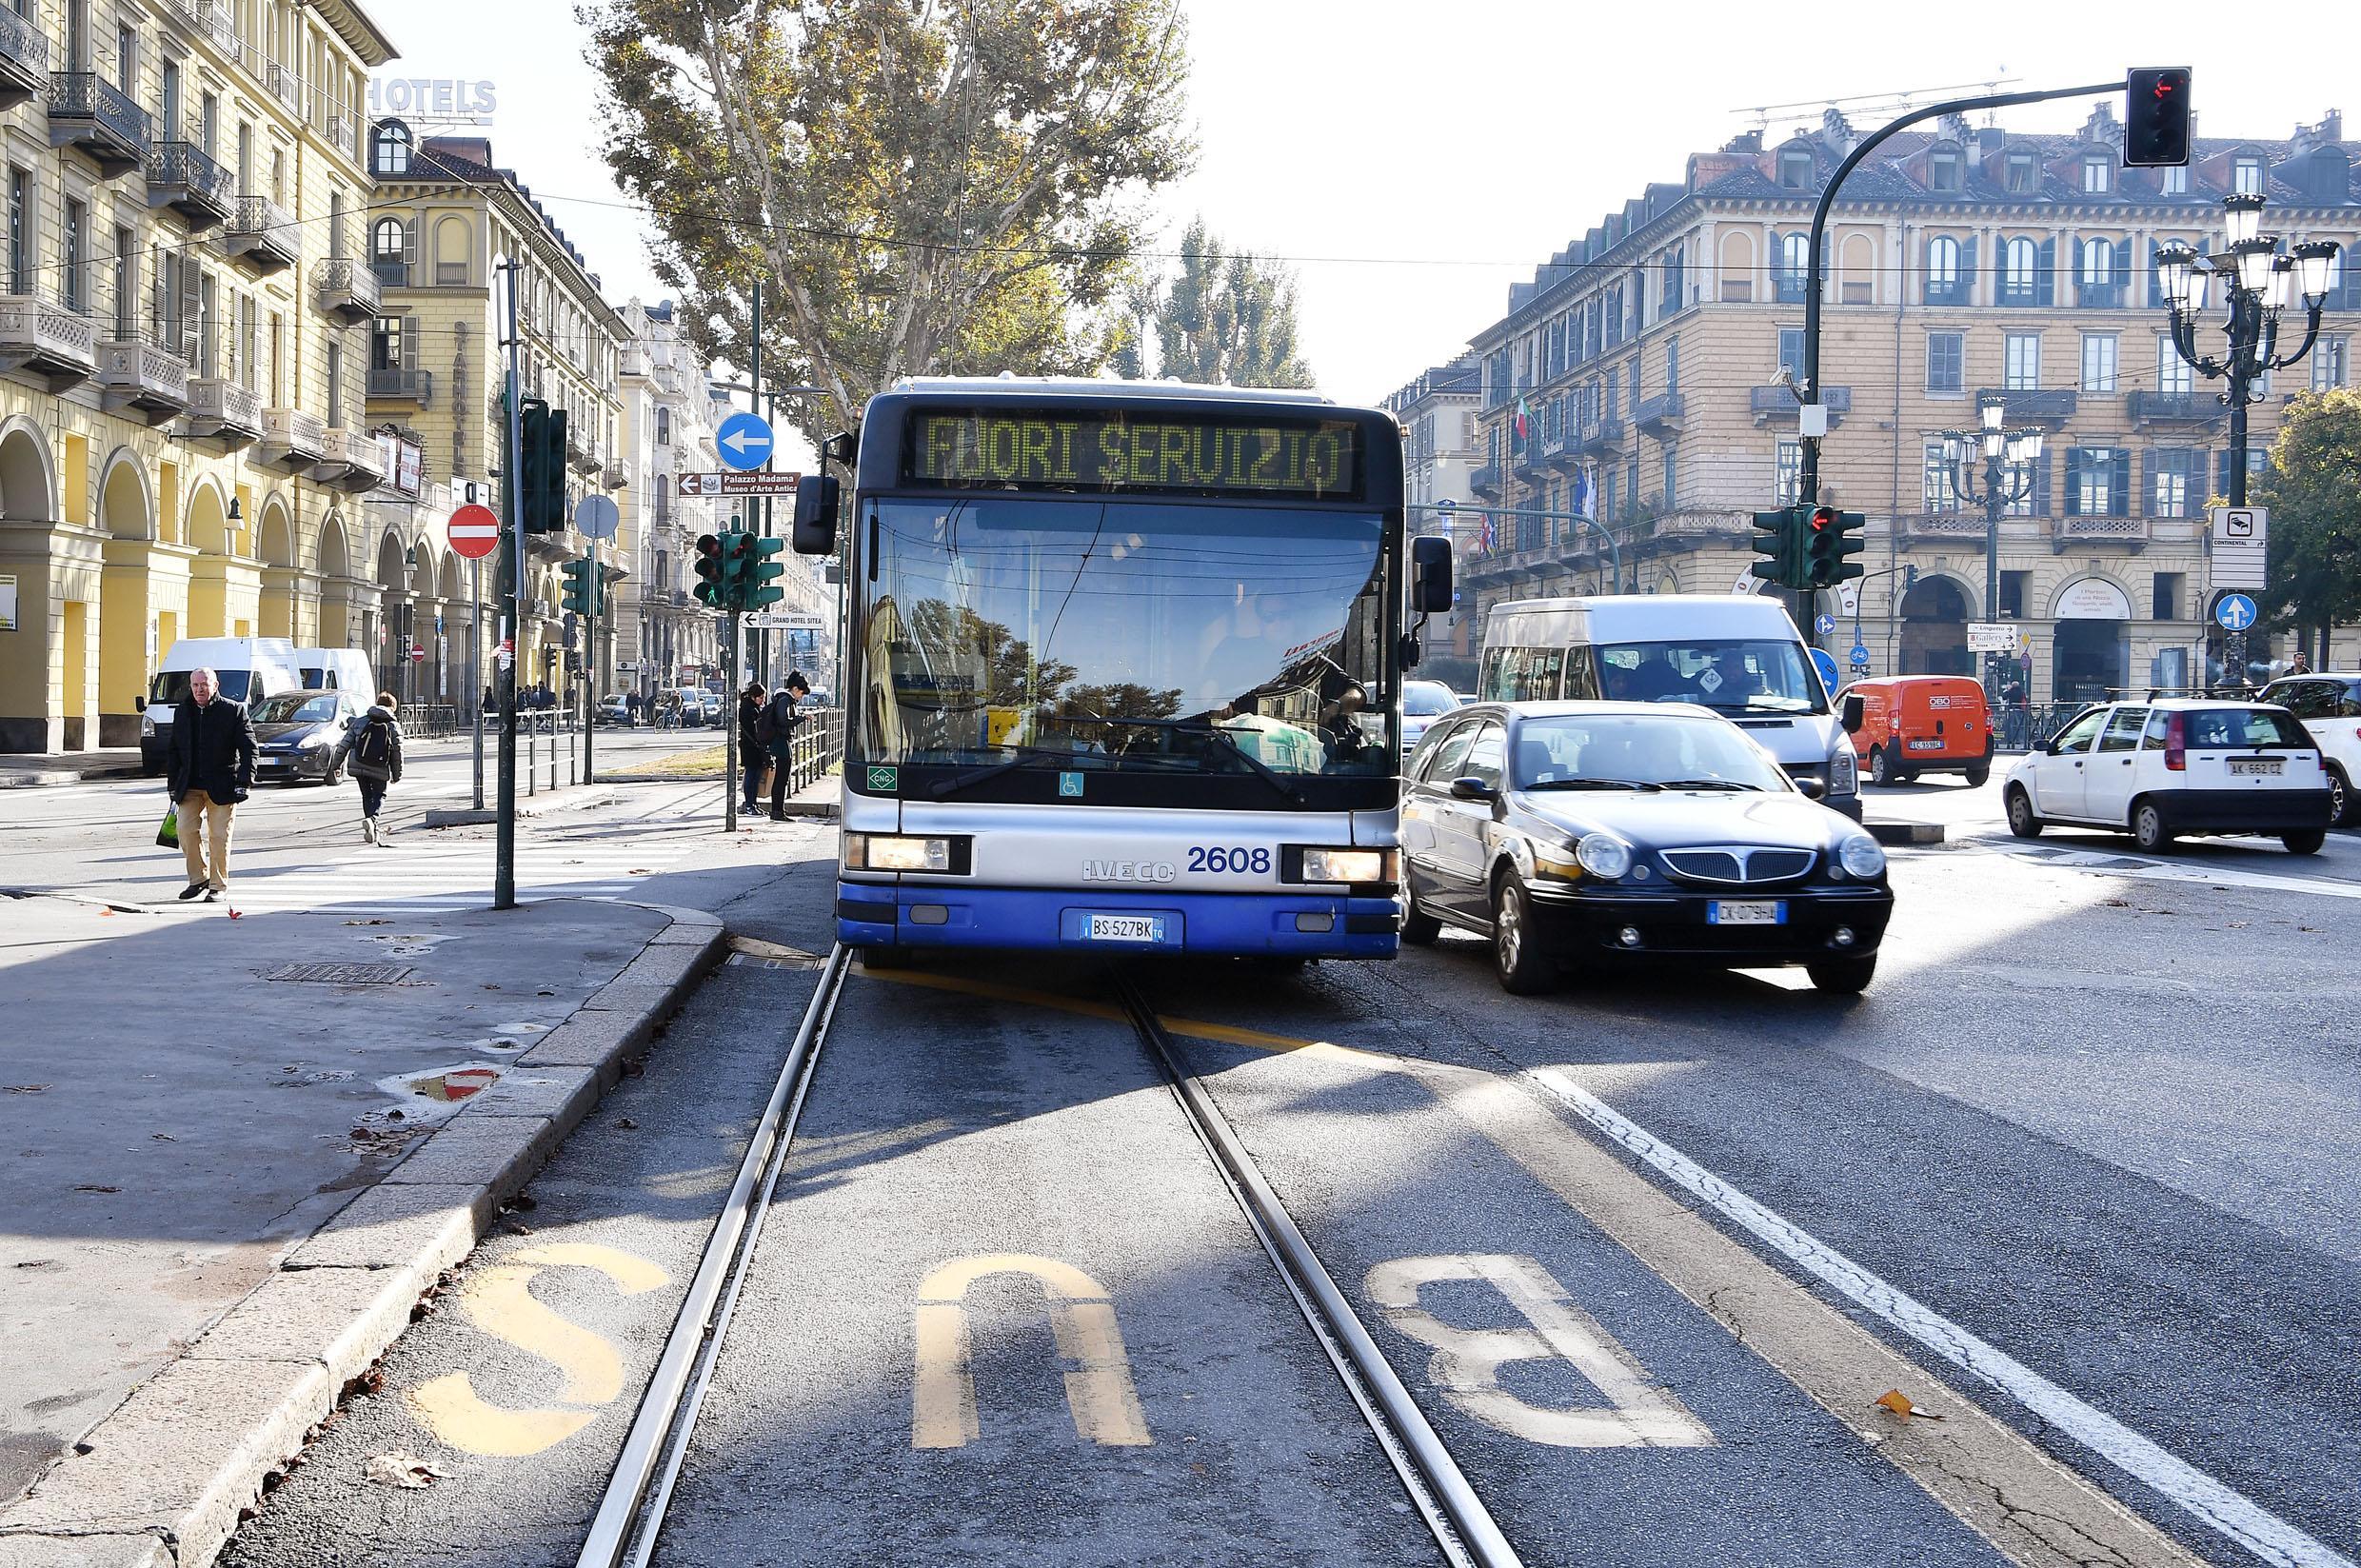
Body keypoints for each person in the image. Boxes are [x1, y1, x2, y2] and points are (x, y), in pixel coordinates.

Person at [166, 666, 257, 903]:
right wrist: (172, 784)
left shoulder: (233, 710)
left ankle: (218, 886)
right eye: (195, 685)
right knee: (184, 830)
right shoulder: (183, 711)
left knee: (218, 836)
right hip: (189, 785)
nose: (199, 689)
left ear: (215, 686)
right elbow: (174, 749)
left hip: (223, 786)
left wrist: (244, 782)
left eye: (204, 685)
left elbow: (249, 749)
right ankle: (198, 878)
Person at [329, 692, 407, 844]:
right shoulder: (393, 725)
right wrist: (396, 774)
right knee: (380, 795)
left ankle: (372, 828)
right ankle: (372, 820)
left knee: (366, 795)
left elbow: (344, 744)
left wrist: (335, 765)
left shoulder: (360, 721)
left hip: (358, 765)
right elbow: (397, 752)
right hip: (379, 767)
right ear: (392, 708)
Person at [761, 673, 811, 819]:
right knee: (782, 778)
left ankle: (778, 810)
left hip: (781, 740)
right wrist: (801, 718)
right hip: (781, 740)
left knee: (782, 778)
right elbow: (783, 720)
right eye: (801, 692)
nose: (801, 696)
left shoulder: (784, 699)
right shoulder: (785, 700)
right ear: (795, 689)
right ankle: (777, 811)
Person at [738, 681, 769, 812]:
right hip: (750, 746)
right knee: (751, 775)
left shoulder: (754, 707)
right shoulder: (747, 709)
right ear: (753, 697)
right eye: (761, 697)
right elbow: (752, 727)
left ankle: (753, 803)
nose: (763, 700)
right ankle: (749, 804)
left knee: (756, 776)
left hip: (755, 746)